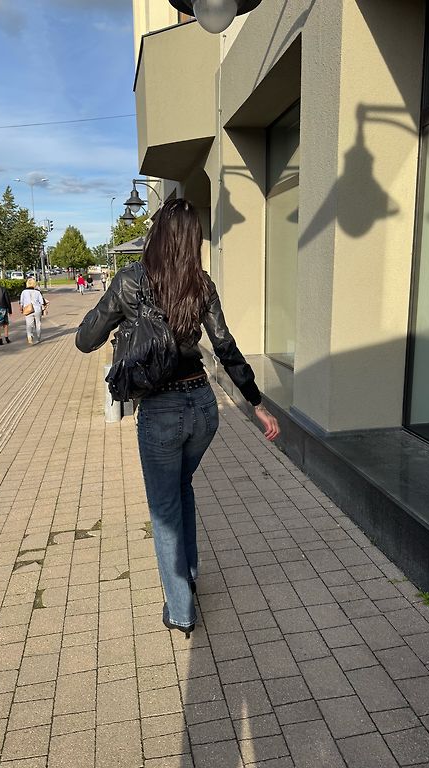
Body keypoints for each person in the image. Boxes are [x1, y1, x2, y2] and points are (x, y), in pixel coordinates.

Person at [76, 198, 280, 638]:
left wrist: (117, 316)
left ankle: (181, 610)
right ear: (193, 240)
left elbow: (85, 339)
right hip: (204, 407)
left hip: (161, 411)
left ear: (157, 235)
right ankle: (188, 573)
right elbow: (225, 346)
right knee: (182, 487)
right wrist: (256, 402)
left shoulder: (130, 280)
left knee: (164, 506)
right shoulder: (201, 283)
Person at [19, 277, 47, 344]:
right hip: (37, 309)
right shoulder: (38, 292)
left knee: (29, 325)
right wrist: (44, 309)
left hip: (28, 309)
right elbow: (42, 302)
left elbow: (21, 302)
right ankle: (38, 338)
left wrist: (21, 309)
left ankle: (29, 337)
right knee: (38, 324)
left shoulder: (24, 292)